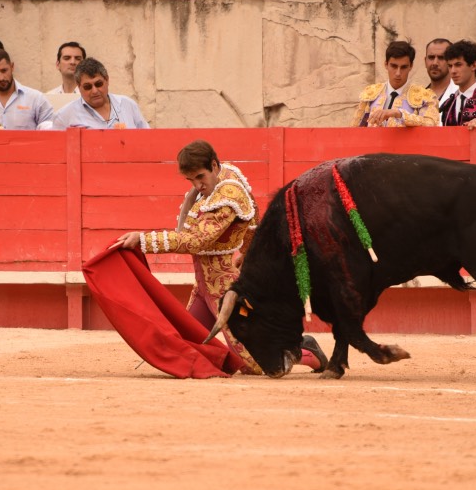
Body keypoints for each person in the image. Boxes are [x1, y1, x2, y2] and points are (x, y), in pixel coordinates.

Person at [114, 140, 327, 375]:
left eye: (200, 177)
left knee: (255, 363)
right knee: (187, 342)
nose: (197, 185)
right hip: (204, 286)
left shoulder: (229, 193)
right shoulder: (221, 177)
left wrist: (144, 241)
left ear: (214, 165)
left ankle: (305, 350)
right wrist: (247, 254)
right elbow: (253, 219)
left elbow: (198, 240)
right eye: (191, 180)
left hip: (224, 289)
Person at [51, 57, 149, 129]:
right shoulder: (64, 116)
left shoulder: (127, 105)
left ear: (107, 80)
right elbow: (55, 151)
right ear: (79, 86)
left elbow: (147, 139)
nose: (94, 91)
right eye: (87, 87)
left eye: (98, 84)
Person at [351, 40, 430, 127]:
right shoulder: (370, 93)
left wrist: (399, 114)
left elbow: (430, 125)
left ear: (411, 66)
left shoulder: (424, 97)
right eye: (394, 66)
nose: (398, 73)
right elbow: (356, 129)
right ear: (386, 64)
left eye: (403, 67)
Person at [0, 48, 53, 130]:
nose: (1, 78)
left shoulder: (36, 99)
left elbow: (51, 133)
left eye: (4, 70)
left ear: (12, 67)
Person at [424, 38, 458, 107]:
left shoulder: (459, 95)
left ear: (451, 62)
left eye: (441, 57)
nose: (435, 63)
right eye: (431, 57)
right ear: (425, 61)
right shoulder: (417, 98)